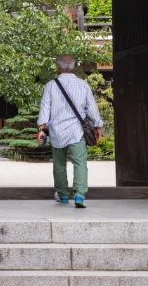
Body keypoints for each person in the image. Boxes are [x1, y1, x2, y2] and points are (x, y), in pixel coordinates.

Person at [36, 55, 103, 208]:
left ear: (57, 67)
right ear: (73, 67)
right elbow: (91, 108)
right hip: (77, 131)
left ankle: (63, 195)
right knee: (80, 163)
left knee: (59, 164)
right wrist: (97, 126)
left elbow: (45, 108)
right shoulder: (82, 85)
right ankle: (79, 195)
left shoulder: (51, 85)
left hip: (57, 132)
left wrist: (41, 129)